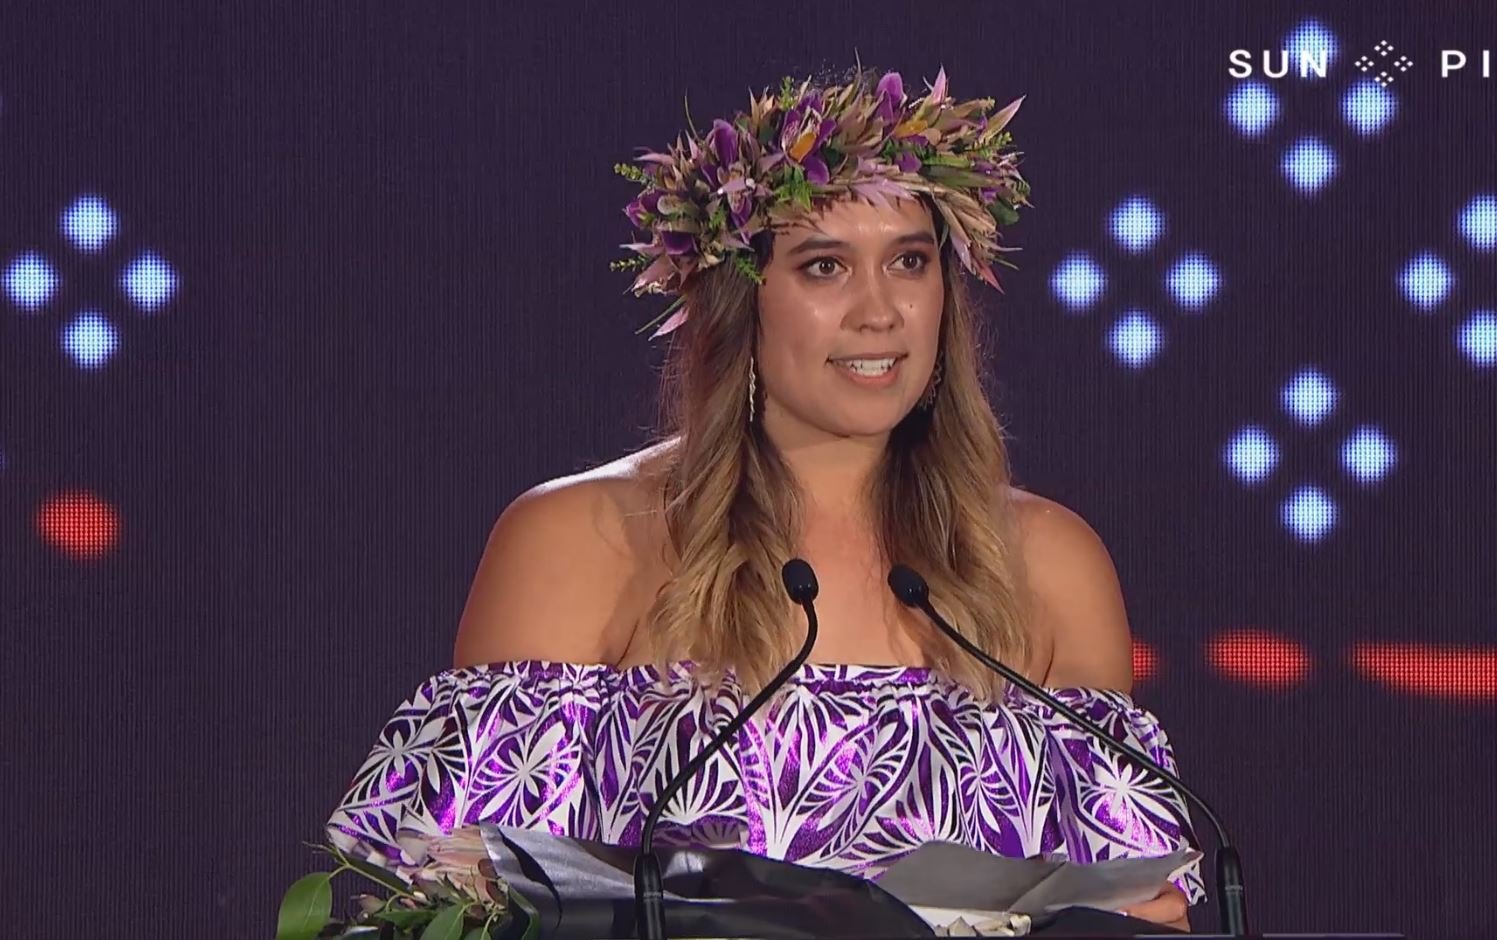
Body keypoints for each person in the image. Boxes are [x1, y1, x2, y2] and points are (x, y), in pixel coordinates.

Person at [327, 63, 1202, 933]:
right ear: (739, 303)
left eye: (909, 262)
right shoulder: (581, 539)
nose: (879, 312)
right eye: (824, 267)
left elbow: (1142, 910)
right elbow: (458, 900)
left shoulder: (1046, 562)